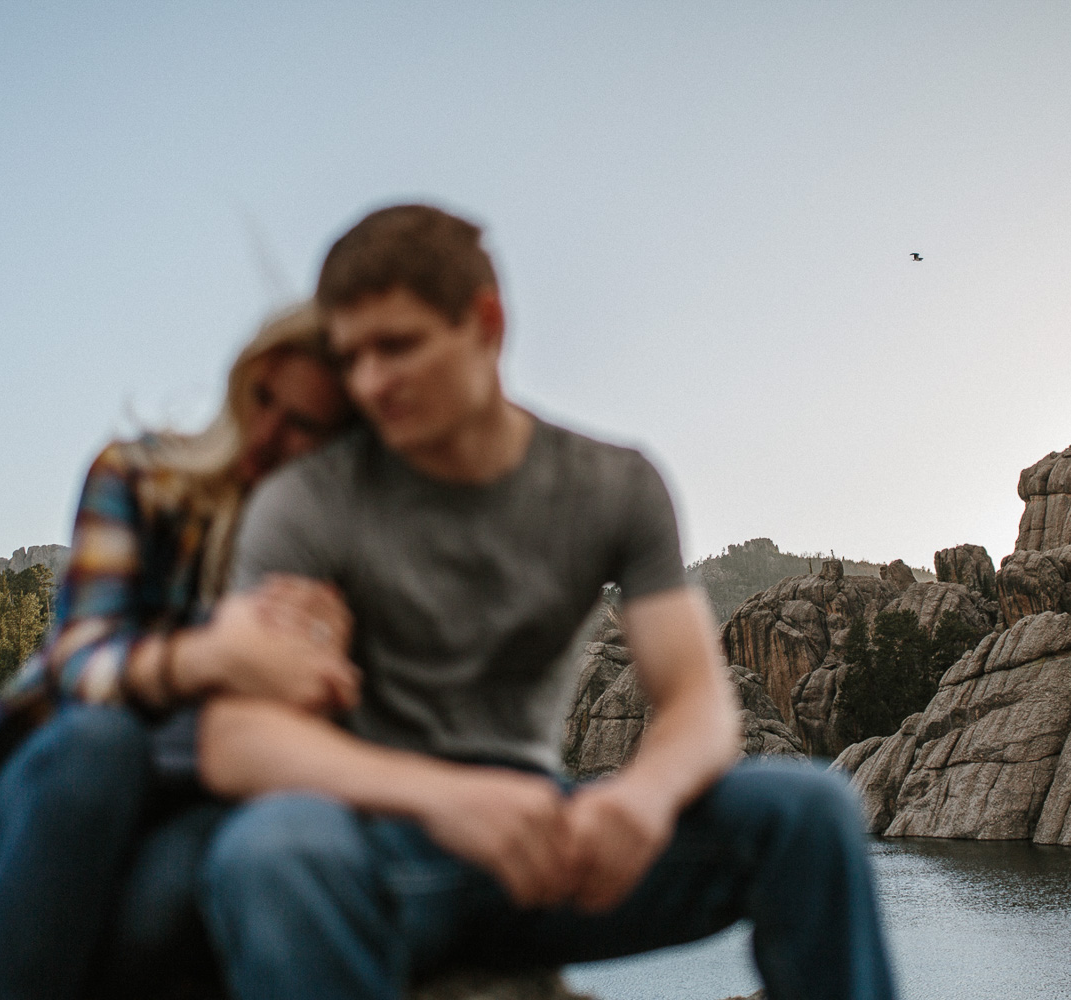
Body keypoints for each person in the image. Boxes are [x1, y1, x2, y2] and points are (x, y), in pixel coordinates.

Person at [194, 205, 896, 1000]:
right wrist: (450, 799)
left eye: (398, 346)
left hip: (552, 849)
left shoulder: (615, 485)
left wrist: (641, 798)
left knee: (810, 810)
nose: (370, 383)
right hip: (380, 847)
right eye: (352, 356)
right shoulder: (305, 504)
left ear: (485, 323)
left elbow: (699, 700)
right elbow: (235, 738)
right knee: (272, 852)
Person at [0, 302, 362, 1000]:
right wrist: (213, 659)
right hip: (53, 788)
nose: (267, 432)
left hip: (192, 810)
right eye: (263, 398)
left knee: (174, 895)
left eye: (302, 425)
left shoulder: (333, 557)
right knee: (100, 746)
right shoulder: (138, 475)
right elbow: (79, 664)